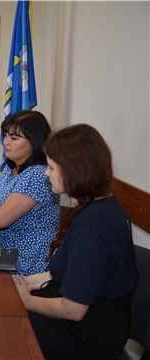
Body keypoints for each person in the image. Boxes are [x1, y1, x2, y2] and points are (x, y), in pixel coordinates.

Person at [13, 124, 139, 359]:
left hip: (89, 335)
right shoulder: (100, 203)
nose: (45, 173)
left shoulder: (92, 228)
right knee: (4, 306)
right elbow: (62, 273)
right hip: (89, 319)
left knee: (6, 325)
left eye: (51, 167)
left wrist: (27, 301)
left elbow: (73, 309)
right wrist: (26, 283)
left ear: (74, 170)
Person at [0, 110, 60, 276]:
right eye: (6, 135)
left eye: (14, 138)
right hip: (3, 248)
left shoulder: (37, 174)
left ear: (35, 142)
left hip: (26, 258)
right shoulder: (11, 168)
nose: (6, 142)